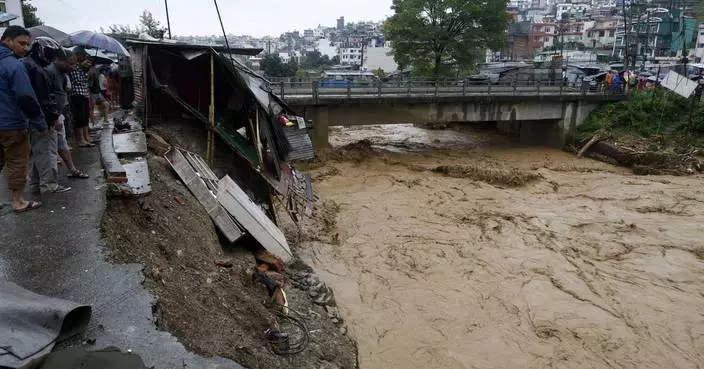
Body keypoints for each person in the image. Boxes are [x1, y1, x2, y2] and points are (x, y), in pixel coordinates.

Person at [0, 26, 44, 212]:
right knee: (17, 161)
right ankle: (18, 201)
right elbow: (26, 97)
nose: (25, 48)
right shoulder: (14, 66)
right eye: (21, 43)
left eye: (27, 44)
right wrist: (40, 123)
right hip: (11, 124)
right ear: (8, 41)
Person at [23, 36, 72, 194]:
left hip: (33, 118)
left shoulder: (29, 65)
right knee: (47, 152)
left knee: (39, 152)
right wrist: (53, 117)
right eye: (51, 55)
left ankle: (36, 184)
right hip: (42, 118)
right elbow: (44, 98)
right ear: (42, 51)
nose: (52, 58)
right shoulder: (38, 70)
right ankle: (49, 185)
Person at [46, 49, 89, 179]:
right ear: (59, 60)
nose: (72, 67)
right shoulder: (50, 72)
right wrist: (54, 117)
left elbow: (62, 93)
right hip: (50, 116)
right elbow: (47, 98)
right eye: (70, 64)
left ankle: (72, 169)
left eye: (74, 64)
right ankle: (48, 183)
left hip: (58, 114)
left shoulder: (62, 73)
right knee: (49, 149)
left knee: (61, 143)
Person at [68, 47, 93, 147]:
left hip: (84, 94)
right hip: (76, 95)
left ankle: (86, 137)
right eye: (82, 55)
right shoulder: (74, 66)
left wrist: (85, 70)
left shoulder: (82, 67)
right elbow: (77, 81)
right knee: (79, 118)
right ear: (77, 55)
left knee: (85, 117)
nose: (84, 57)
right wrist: (82, 69)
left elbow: (86, 81)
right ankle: (80, 140)